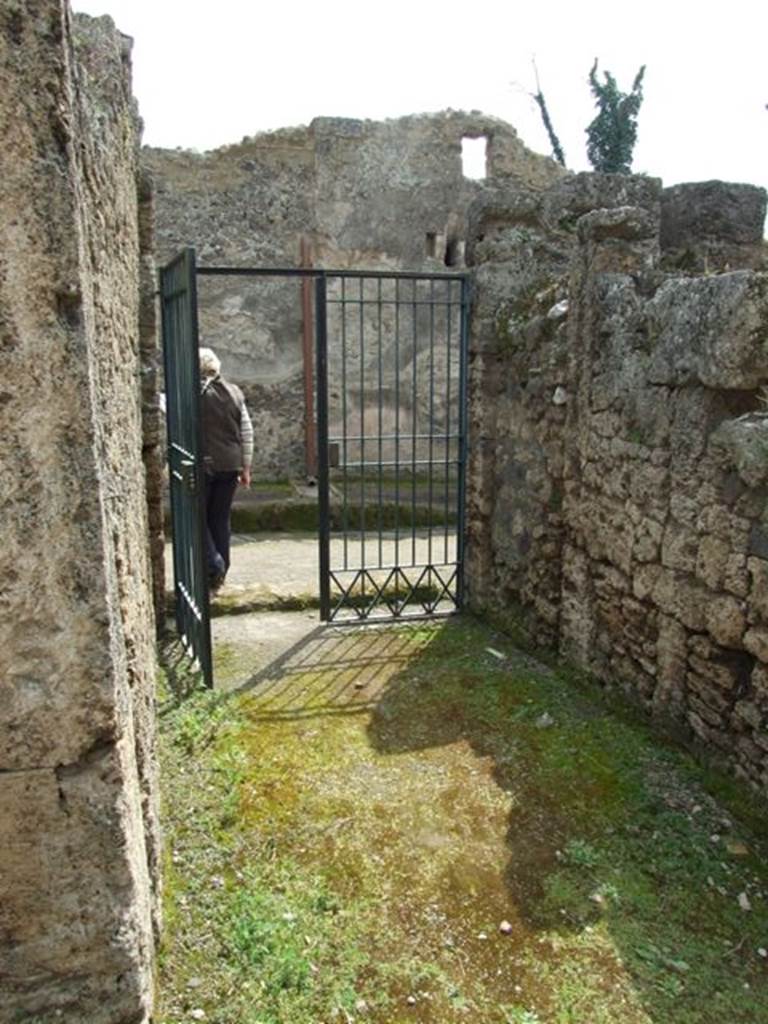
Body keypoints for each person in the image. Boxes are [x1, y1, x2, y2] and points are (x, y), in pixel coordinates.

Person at [198, 347, 253, 592]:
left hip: (206, 464)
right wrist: (246, 467)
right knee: (220, 518)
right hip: (231, 465)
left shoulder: (196, 392)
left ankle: (214, 563)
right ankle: (222, 570)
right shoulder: (235, 392)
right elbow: (247, 432)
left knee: (198, 517)